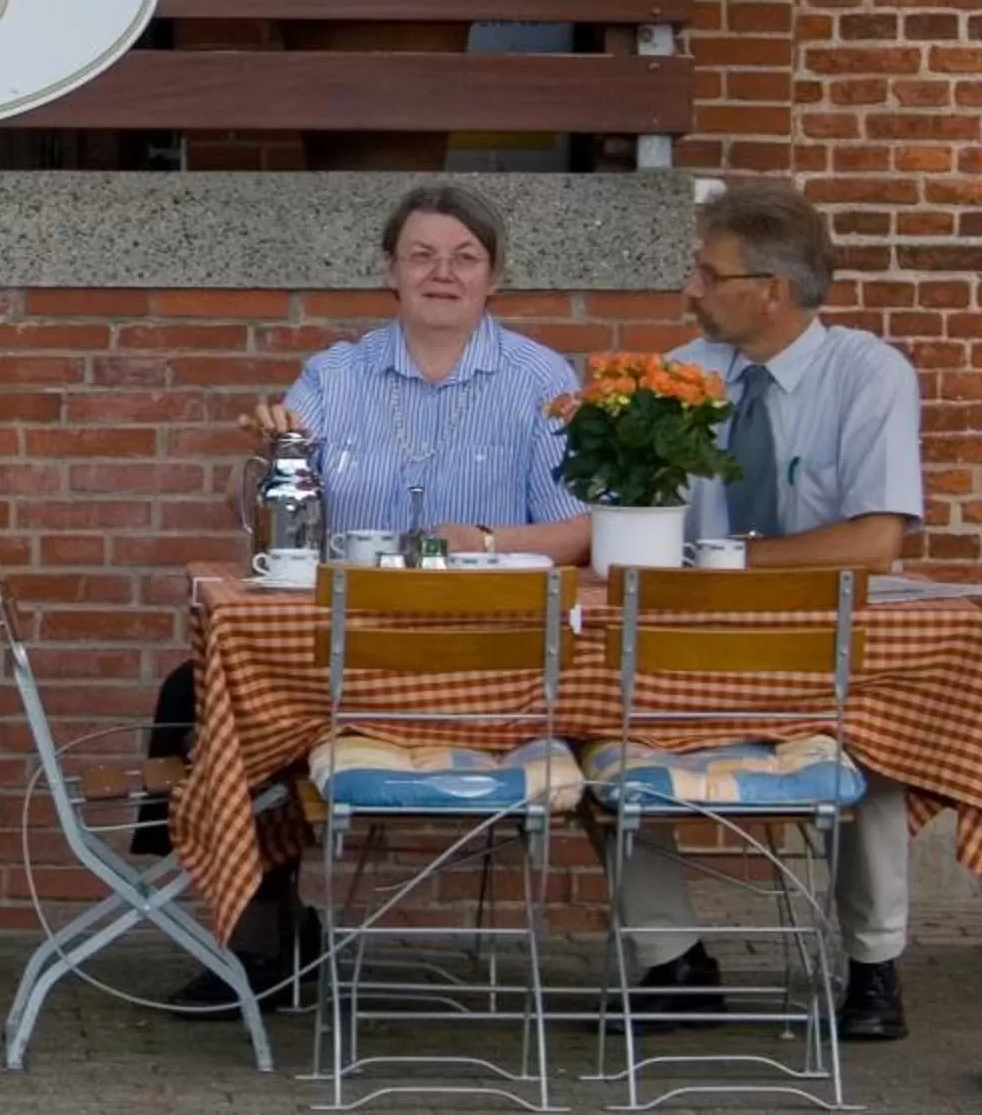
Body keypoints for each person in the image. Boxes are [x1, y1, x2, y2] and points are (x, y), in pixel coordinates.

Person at [151, 182, 589, 1014]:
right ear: (390, 271)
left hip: (484, 669)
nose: (442, 273)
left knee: (220, 703)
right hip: (349, 657)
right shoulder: (334, 373)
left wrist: (490, 543)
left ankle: (264, 932)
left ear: (493, 278)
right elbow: (266, 520)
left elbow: (580, 531)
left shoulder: (541, 378)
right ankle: (265, 942)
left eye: (465, 258)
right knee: (206, 696)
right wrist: (272, 458)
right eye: (421, 255)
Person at [609, 181, 924, 1042]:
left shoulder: (869, 375)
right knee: (601, 725)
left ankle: (872, 965)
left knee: (879, 740)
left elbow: (874, 544)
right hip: (694, 648)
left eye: (709, 275)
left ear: (771, 291)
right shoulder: (681, 376)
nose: (691, 291)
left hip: (819, 642)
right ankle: (674, 959)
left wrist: (729, 561)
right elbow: (628, 515)